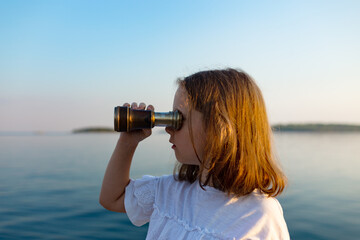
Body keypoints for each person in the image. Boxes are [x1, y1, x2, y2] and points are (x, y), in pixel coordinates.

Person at [99, 68, 290, 239]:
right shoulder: (170, 192)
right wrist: (128, 141)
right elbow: (111, 198)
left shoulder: (258, 217)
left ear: (219, 128)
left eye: (177, 118)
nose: (168, 129)